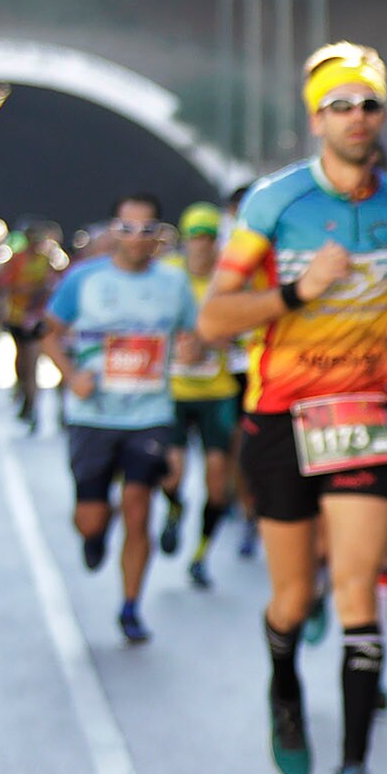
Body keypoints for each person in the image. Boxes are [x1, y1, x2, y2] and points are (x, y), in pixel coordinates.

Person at [197, 40, 387, 774]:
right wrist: (297, 289)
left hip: (361, 415)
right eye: (341, 106)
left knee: (357, 592)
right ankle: (283, 686)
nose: (357, 118)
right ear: (316, 117)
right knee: (294, 597)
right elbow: (214, 317)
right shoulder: (273, 204)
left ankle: (353, 769)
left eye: (369, 105)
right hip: (282, 420)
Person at [44, 197, 199, 645]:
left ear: (159, 235)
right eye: (127, 229)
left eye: (146, 229)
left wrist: (194, 349)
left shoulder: (174, 283)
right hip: (93, 415)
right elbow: (49, 332)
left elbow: (193, 336)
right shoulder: (85, 279)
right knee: (91, 519)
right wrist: (72, 375)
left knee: (139, 508)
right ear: (113, 230)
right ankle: (95, 533)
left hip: (149, 414)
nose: (136, 239)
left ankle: (130, 606)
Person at [164, 207, 246, 589]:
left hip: (218, 392)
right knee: (172, 471)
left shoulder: (230, 280)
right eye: (195, 236)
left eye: (209, 236)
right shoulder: (169, 277)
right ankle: (174, 509)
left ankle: (200, 554)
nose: (202, 245)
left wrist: (212, 340)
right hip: (176, 392)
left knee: (217, 480)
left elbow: (248, 326)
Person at [0, 223, 63, 430]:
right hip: (18, 316)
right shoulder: (16, 260)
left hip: (37, 318)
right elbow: (6, 283)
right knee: (22, 361)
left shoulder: (47, 261)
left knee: (33, 360)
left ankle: (33, 406)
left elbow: (54, 284)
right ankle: (23, 392)